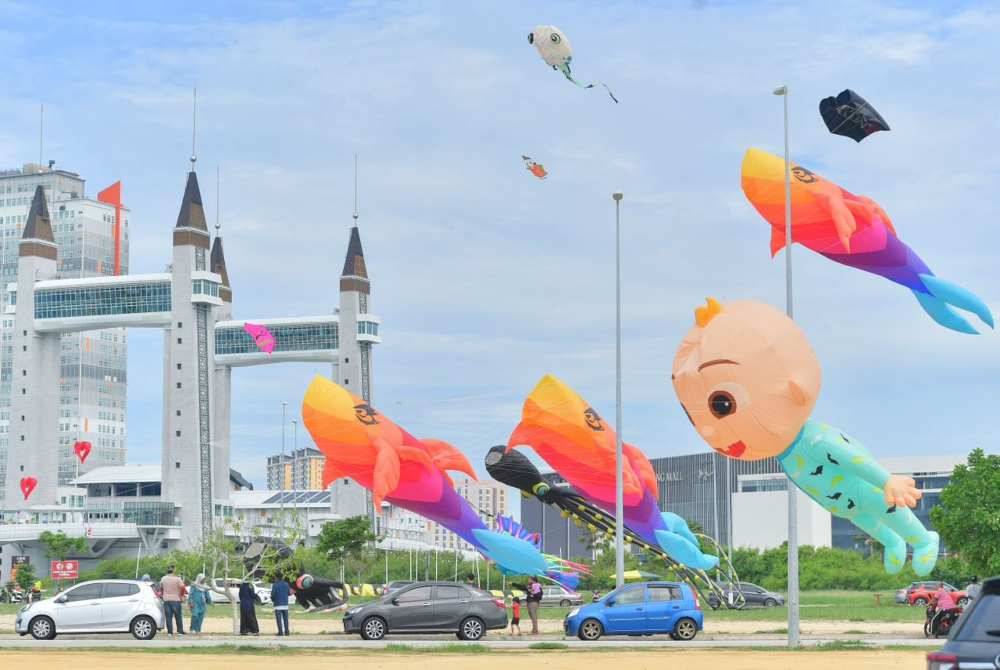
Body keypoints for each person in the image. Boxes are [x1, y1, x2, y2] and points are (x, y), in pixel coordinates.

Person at [160, 566, 186, 637]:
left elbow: (161, 588)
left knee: (168, 617)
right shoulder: (178, 579)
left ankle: (170, 633)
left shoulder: (163, 578)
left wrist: (163, 595)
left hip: (166, 600)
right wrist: (181, 595)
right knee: (178, 616)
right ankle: (180, 632)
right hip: (176, 599)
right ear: (174, 571)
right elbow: (183, 587)